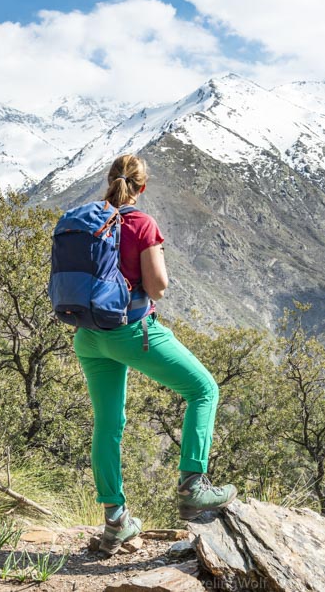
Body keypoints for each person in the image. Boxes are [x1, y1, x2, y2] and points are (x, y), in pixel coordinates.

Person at [73, 154, 237, 555]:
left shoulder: (82, 219)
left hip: (89, 337)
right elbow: (158, 286)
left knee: (108, 424)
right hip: (131, 332)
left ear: (108, 181)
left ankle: (116, 522)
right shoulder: (141, 223)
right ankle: (193, 486)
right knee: (204, 390)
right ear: (141, 188)